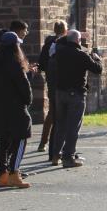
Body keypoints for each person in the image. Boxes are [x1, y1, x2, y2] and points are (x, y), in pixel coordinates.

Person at [48, 29, 102, 168]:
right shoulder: (81, 55)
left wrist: (69, 36)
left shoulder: (59, 53)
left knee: (60, 125)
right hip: (76, 93)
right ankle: (68, 157)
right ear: (78, 40)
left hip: (60, 92)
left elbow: (59, 42)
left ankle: (56, 155)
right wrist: (96, 57)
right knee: (73, 127)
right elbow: (97, 69)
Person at [0, 32, 33, 187]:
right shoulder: (15, 63)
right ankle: (14, 172)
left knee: (3, 141)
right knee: (21, 138)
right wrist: (28, 100)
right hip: (16, 106)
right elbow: (23, 86)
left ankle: (2, 174)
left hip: (1, 105)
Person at [37, 20, 68, 153]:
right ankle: (58, 146)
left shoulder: (48, 43)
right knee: (61, 114)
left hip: (51, 80)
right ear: (65, 30)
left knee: (52, 112)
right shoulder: (66, 43)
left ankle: (43, 142)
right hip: (63, 82)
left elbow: (42, 63)